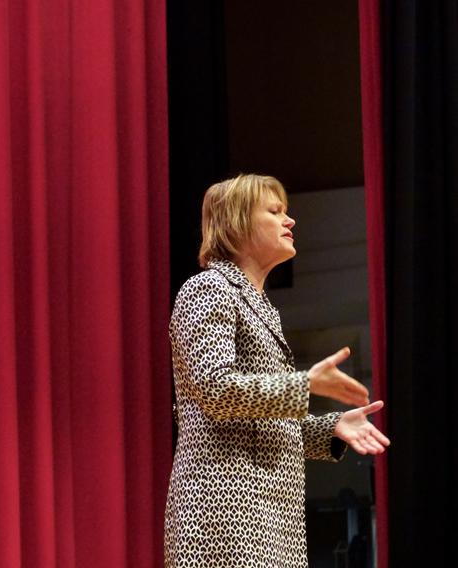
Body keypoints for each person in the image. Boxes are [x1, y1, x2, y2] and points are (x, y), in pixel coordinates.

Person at [164, 174, 390, 567]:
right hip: (224, 516)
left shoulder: (262, 307)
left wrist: (331, 427)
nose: (291, 221)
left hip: (269, 521)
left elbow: (260, 420)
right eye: (275, 211)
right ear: (237, 223)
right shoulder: (208, 288)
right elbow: (216, 389)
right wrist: (305, 384)